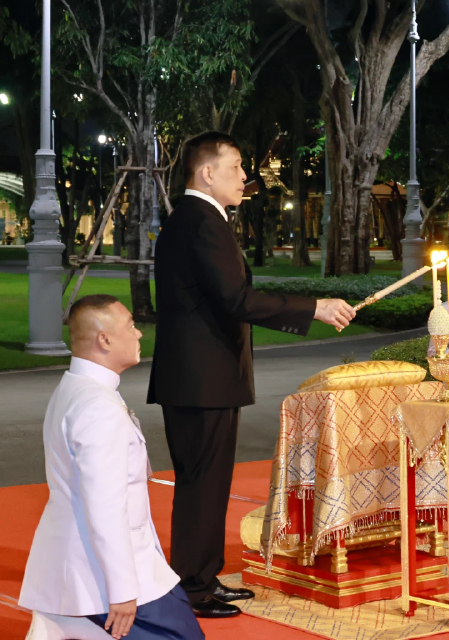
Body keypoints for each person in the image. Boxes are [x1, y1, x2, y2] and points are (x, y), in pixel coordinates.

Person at [147, 131, 355, 618]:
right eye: (237, 166)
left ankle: (203, 577)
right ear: (207, 172)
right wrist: (315, 307)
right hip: (201, 380)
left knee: (209, 482)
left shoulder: (199, 219)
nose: (245, 176)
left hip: (203, 377)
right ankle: (194, 589)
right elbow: (237, 299)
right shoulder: (201, 222)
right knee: (202, 483)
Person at [20, 295, 203, 640]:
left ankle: (68, 621)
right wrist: (121, 591)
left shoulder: (78, 388)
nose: (139, 335)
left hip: (90, 566)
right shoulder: (97, 406)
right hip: (102, 578)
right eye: (131, 326)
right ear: (103, 339)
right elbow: (105, 507)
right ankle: (77, 623)